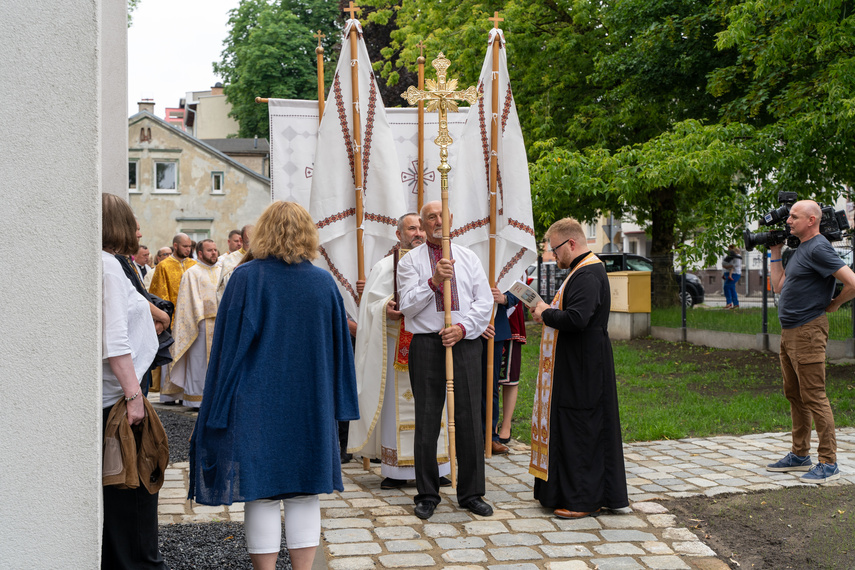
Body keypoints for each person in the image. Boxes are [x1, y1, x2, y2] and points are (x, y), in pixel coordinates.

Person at [189, 201, 358, 570]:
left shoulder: (246, 278)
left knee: (261, 494)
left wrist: (214, 408)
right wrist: (343, 407)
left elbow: (227, 349)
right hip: (310, 402)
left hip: (257, 402)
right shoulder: (323, 282)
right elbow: (341, 351)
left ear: (263, 232)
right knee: (304, 493)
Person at [397, 201, 494, 520]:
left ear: (452, 218)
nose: (438, 221)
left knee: (469, 415)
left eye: (442, 215)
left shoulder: (468, 257)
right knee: (426, 418)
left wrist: (464, 328)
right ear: (422, 226)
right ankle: (427, 493)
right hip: (426, 343)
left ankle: (471, 492)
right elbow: (407, 306)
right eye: (430, 218)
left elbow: (484, 300)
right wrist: (433, 282)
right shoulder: (410, 261)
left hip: (464, 342)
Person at [530, 217, 628, 519]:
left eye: (555, 249)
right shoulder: (581, 269)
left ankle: (584, 499)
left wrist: (546, 313)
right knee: (571, 423)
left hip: (585, 364)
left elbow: (576, 319)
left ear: (571, 243)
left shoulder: (587, 273)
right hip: (577, 360)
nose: (552, 255)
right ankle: (564, 490)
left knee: (582, 426)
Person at [348, 213, 452, 489]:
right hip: (395, 349)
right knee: (398, 407)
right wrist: (386, 309)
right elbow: (369, 306)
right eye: (412, 228)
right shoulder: (385, 267)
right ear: (399, 235)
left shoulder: (436, 262)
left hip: (430, 344)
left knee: (433, 407)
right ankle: (396, 472)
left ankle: (437, 467)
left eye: (421, 227)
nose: (418, 232)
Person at [766, 200, 855, 483]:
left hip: (808, 331)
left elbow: (852, 282)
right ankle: (799, 454)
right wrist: (775, 252)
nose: (788, 221)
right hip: (790, 332)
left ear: (812, 220)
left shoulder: (818, 247)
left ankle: (828, 462)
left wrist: (834, 304)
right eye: (789, 216)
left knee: (814, 396)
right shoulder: (801, 248)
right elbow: (778, 286)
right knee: (795, 394)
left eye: (794, 216)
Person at [100, 193, 167, 569]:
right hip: (118, 400)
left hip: (118, 395)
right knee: (136, 488)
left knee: (127, 491)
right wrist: (134, 395)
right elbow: (115, 338)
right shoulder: (109, 266)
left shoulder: (109, 264)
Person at [169, 239, 220, 408]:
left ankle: (215, 399)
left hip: (220, 323)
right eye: (209, 250)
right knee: (198, 362)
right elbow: (188, 301)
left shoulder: (222, 270)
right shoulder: (193, 273)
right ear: (200, 253)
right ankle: (197, 399)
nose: (214, 253)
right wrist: (200, 316)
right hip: (201, 324)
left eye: (215, 250)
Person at [150, 234, 196, 403]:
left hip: (190, 319)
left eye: (190, 246)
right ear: (175, 246)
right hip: (173, 319)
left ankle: (185, 393)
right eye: (185, 246)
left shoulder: (194, 265)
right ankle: (169, 395)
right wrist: (166, 318)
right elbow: (160, 294)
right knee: (171, 358)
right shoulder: (164, 266)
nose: (188, 249)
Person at [482, 286, 519, 455]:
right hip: (465, 327)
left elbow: (516, 290)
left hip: (495, 327)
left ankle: (490, 436)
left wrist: (504, 298)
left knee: (490, 385)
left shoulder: (502, 260)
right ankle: (466, 436)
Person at [497, 286, 527, 443]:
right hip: (487, 316)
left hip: (511, 317)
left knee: (510, 376)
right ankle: (490, 422)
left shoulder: (517, 262)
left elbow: (522, 289)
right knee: (489, 376)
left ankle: (506, 424)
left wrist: (506, 299)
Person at [218, 224, 254, 301]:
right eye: (248, 242)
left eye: (254, 242)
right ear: (242, 240)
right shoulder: (231, 259)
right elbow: (225, 284)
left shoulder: (261, 256)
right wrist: (239, 271)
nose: (251, 246)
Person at [722, 245, 743, 309]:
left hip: (735, 273)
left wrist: (727, 266)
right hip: (728, 273)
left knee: (727, 286)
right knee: (731, 288)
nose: (728, 250)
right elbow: (726, 263)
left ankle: (729, 303)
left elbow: (735, 265)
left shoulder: (737, 257)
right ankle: (736, 304)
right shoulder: (730, 256)